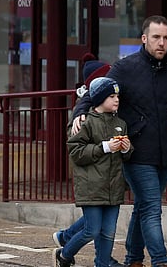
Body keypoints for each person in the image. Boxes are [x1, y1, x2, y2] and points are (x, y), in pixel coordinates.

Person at [72, 15, 167, 267]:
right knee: (151, 208)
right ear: (144, 38)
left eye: (166, 38)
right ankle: (161, 261)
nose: (162, 43)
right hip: (136, 152)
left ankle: (133, 258)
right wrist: (80, 112)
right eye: (156, 37)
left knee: (143, 207)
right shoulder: (126, 67)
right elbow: (97, 88)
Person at [54, 55, 126, 267]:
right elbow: (75, 151)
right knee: (92, 230)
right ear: (99, 97)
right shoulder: (84, 120)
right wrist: (105, 147)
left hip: (113, 186)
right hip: (91, 186)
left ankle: (101, 262)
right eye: (111, 96)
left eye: (117, 96)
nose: (117, 99)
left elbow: (124, 155)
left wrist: (126, 147)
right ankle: (64, 253)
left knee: (108, 231)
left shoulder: (120, 122)